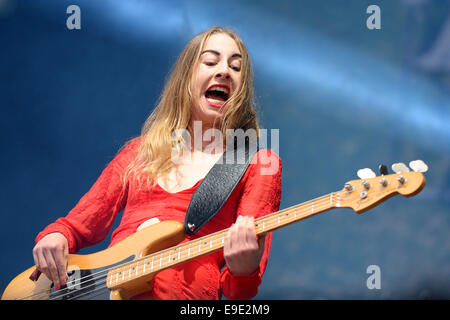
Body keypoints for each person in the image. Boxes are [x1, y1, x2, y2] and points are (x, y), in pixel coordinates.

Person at [32, 26, 282, 300]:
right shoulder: (139, 152)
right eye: (210, 61)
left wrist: (243, 269)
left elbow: (238, 294)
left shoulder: (259, 165)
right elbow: (77, 225)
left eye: (236, 67)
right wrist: (55, 237)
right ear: (186, 78)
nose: (224, 71)